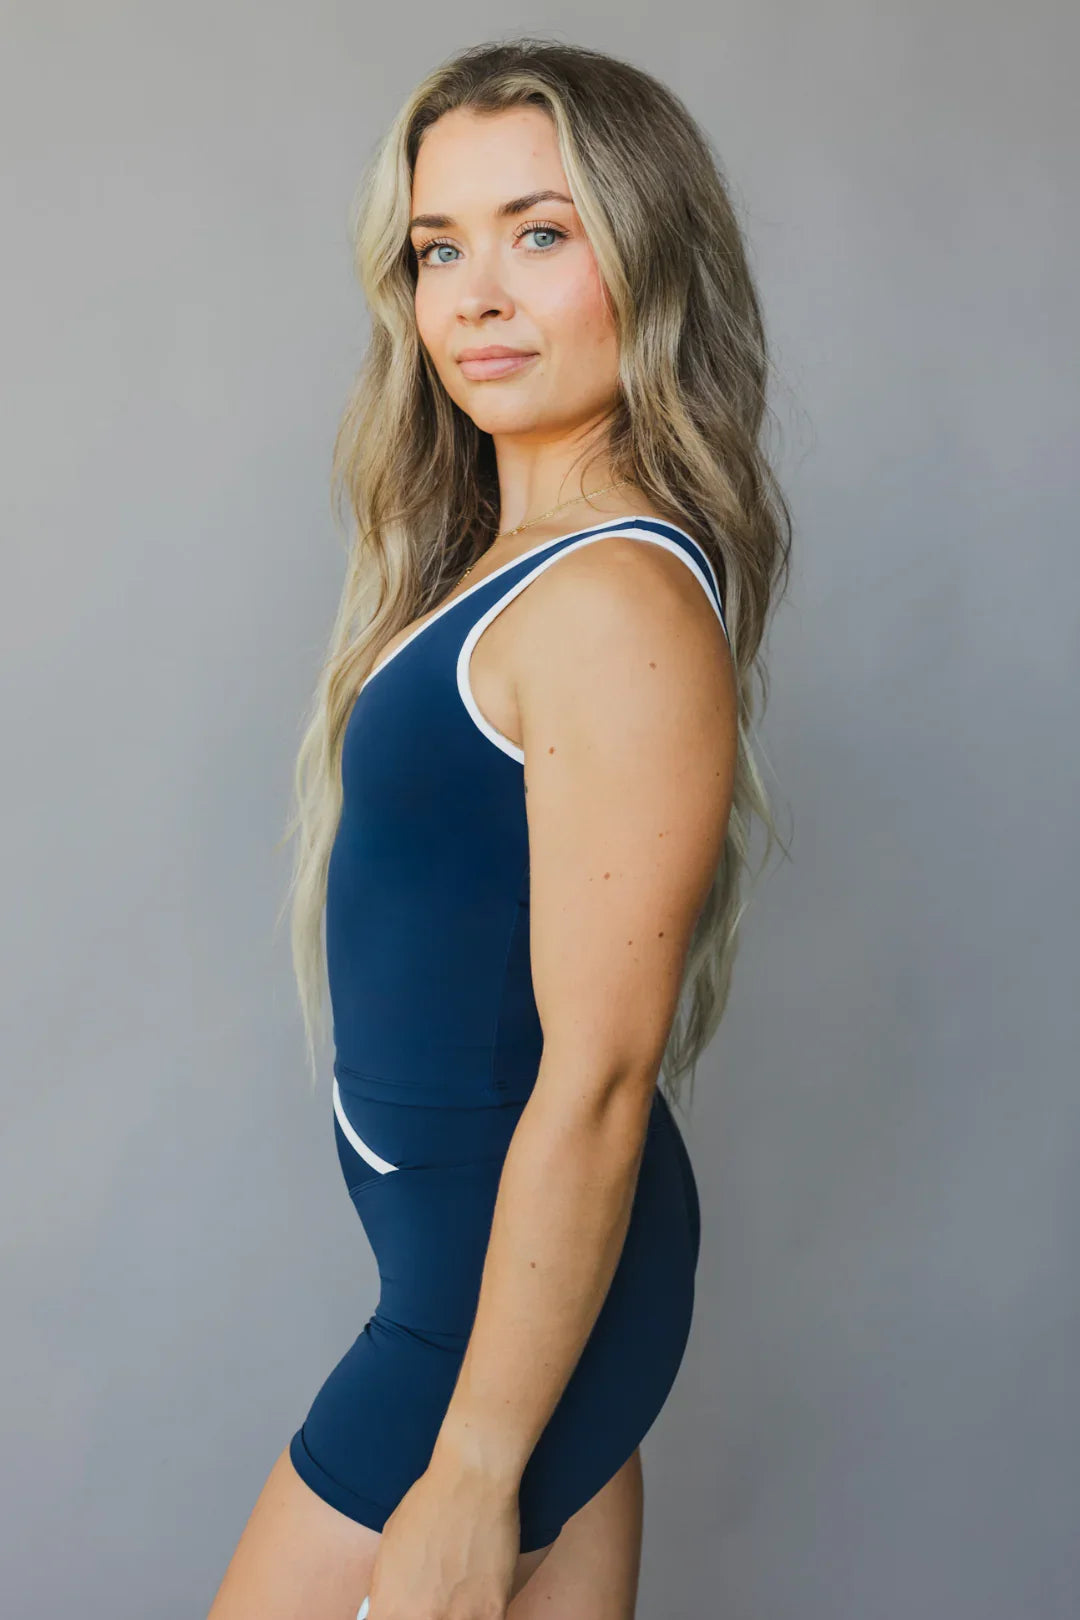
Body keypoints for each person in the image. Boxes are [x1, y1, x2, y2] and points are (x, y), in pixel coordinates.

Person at [208, 35, 791, 1620]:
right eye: (437, 247)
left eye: (541, 233)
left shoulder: (608, 598)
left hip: (489, 1331)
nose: (474, 294)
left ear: (647, 257)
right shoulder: (507, 565)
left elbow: (598, 1079)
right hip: (513, 1293)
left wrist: (471, 1469)